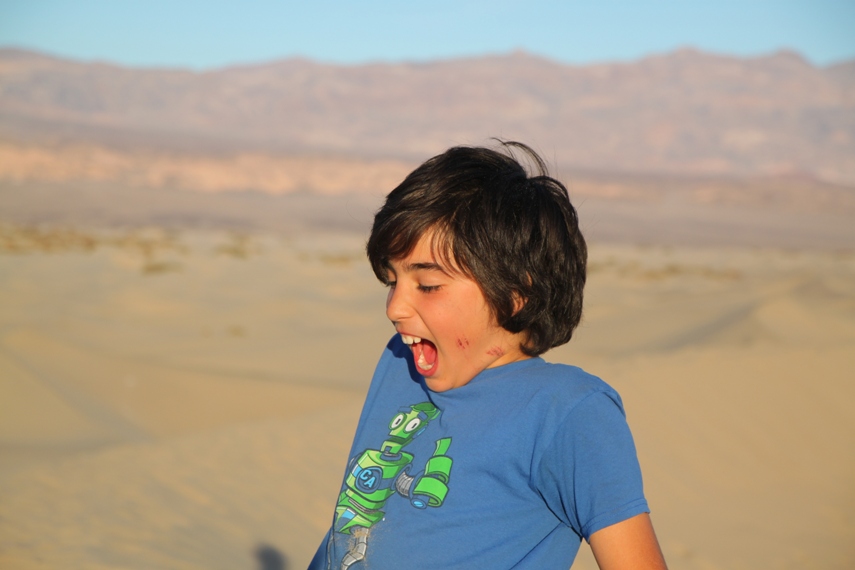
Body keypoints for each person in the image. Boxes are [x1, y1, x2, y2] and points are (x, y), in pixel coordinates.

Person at [309, 141, 667, 570]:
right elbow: (354, 524)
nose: (394, 309)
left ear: (515, 294)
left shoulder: (566, 411)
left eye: (427, 285)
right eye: (392, 281)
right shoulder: (400, 365)